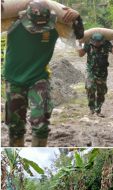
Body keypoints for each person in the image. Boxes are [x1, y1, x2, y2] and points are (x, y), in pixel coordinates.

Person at [3, 0, 84, 147]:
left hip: (38, 79)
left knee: (41, 126)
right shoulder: (13, 23)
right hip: (14, 80)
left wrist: (77, 17)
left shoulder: (56, 27)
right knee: (15, 128)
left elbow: (79, 35)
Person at [78, 32, 113, 117]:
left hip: (102, 72)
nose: (97, 44)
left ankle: (98, 110)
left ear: (102, 41)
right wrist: (79, 43)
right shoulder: (88, 44)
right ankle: (91, 109)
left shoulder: (106, 44)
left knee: (101, 92)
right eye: (95, 42)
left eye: (99, 42)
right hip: (91, 71)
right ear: (92, 41)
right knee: (89, 88)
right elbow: (81, 54)